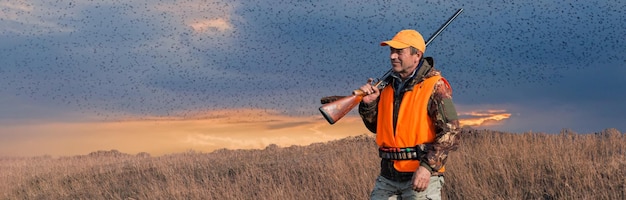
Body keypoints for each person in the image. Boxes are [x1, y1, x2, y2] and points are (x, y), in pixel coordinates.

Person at [358, 29, 461, 200]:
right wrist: (369, 104)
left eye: (400, 51)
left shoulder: (435, 86)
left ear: (417, 55)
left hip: (421, 175)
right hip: (388, 177)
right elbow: (377, 127)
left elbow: (451, 132)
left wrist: (427, 167)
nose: (393, 56)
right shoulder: (387, 87)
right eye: (392, 51)